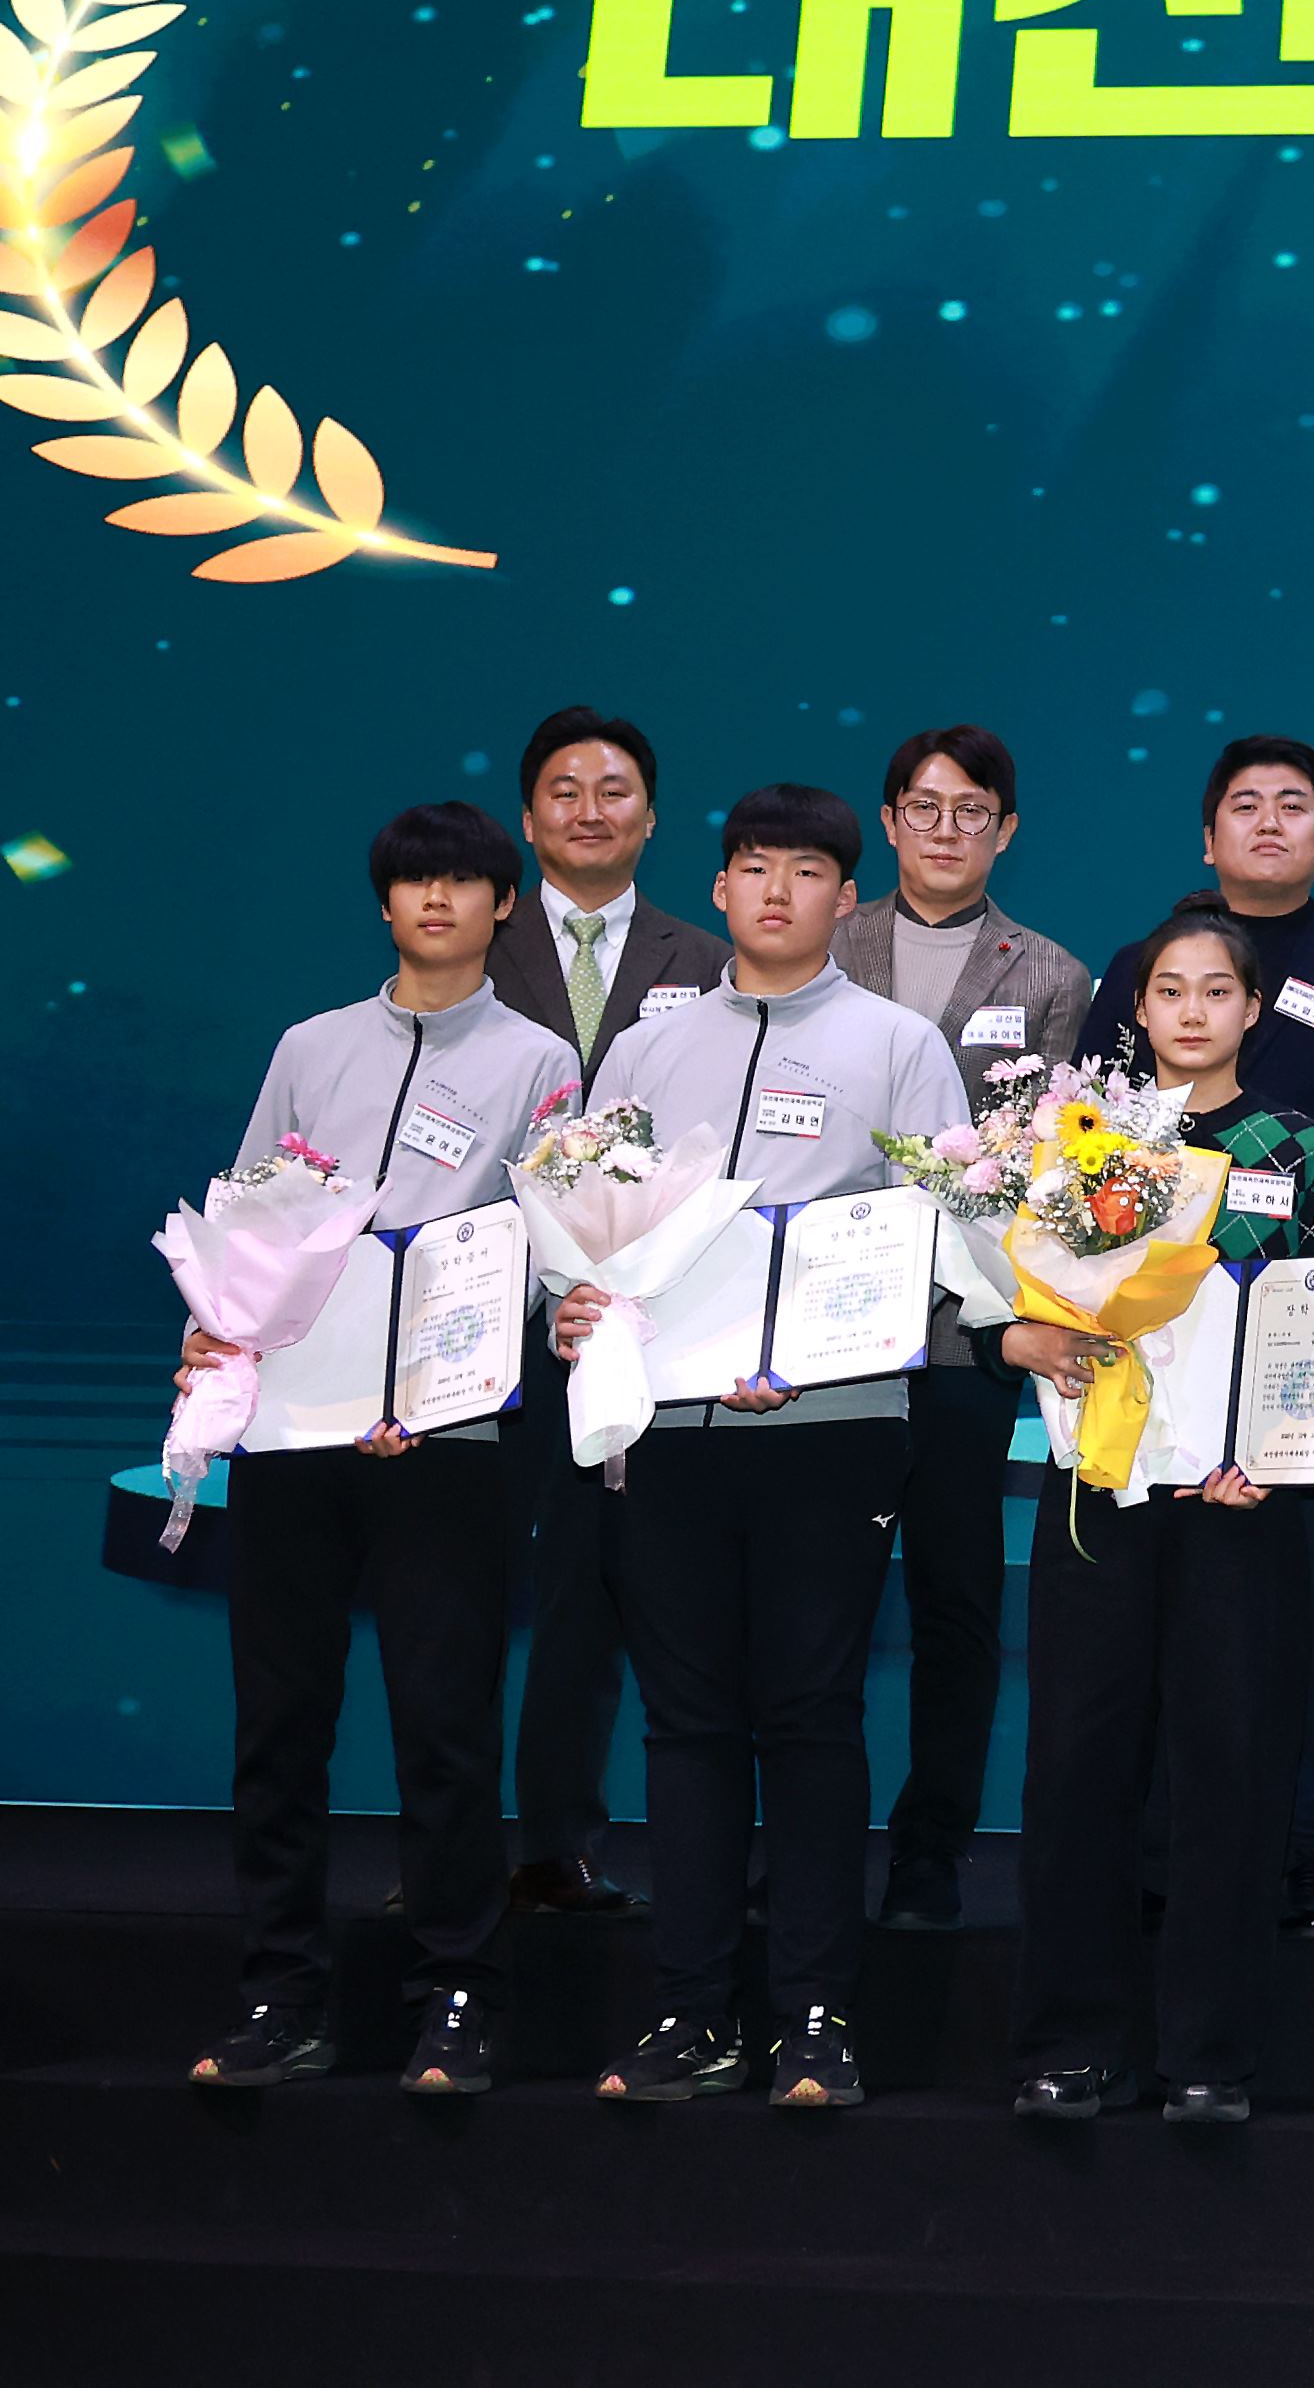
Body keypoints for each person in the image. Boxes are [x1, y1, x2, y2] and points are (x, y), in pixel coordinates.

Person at [556, 786, 970, 2108]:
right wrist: (571, 1302)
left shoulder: (901, 1045)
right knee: (684, 1725)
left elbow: (941, 1240)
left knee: (808, 1716)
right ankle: (692, 2015)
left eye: (804, 872)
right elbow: (588, 1222)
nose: (776, 891)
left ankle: (814, 2018)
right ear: (719, 889)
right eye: (753, 867)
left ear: (846, 898)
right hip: (667, 1434)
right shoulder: (643, 1051)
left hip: (830, 1431)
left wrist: (821, 1343)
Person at [181, 803, 575, 2097]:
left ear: (504, 904)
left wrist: (445, 1378)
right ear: (385, 903)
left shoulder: (537, 1061)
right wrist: (213, 1333)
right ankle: (280, 1993)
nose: (437, 901)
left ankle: (457, 1993)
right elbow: (247, 1219)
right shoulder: (311, 1046)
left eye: (463, 882)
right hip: (296, 1429)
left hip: (446, 1437)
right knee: (279, 1722)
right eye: (414, 882)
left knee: (445, 1722)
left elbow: (542, 1251)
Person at [1000, 902, 1314, 2125]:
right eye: (1169, 990)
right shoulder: (1076, 1144)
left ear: (1253, 1009)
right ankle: (1070, 2043)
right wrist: (1017, 1337)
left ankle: (1209, 2053)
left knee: (1231, 1772)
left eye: (1216, 991)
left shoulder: (1305, 1148)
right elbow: (1004, 1307)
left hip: (1239, 1506)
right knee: (1076, 1766)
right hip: (1099, 1490)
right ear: (1137, 1008)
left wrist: (1276, 1457)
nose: (1192, 1011)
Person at [1076, 735, 1314, 1939]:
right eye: (1244, 804)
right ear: (1207, 834)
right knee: (1144, 1636)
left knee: (1300, 1625)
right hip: (1143, 1372)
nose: (1268, 822)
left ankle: (1300, 1851)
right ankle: (1149, 1853)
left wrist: (1293, 1225)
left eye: (1293, 807)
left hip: (1292, 1358)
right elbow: (1087, 1136)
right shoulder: (1139, 958)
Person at [827, 723, 1093, 1934]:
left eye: (971, 810)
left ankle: (930, 1850)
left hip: (964, 1341)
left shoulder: (1050, 975)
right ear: (889, 822)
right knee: (819, 1611)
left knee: (954, 1603)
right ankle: (813, 1849)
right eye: (924, 808)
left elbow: (1053, 1167)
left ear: (1007, 829)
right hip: (826, 1333)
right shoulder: (824, 944)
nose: (946, 830)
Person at [485, 708, 726, 1923]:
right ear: (529, 819)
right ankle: (446, 1852)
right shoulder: (471, 941)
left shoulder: (710, 959)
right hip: (483, 1321)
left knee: (594, 1591)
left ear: (652, 816)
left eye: (615, 789)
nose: (591, 809)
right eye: (566, 790)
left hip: (639, 1323)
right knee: (458, 1596)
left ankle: (559, 1842)